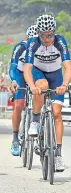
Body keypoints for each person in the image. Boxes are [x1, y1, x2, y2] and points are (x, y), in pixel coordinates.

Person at [23, 15, 71, 172]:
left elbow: (68, 67)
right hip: (39, 73)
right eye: (43, 35)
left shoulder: (60, 41)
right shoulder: (33, 43)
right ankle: (35, 120)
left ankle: (58, 154)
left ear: (54, 33)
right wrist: (31, 86)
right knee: (41, 86)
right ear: (38, 33)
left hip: (56, 75)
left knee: (57, 113)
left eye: (50, 35)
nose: (47, 38)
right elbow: (27, 68)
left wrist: (64, 85)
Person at [8, 25, 38, 156]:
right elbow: (13, 67)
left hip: (35, 74)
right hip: (20, 74)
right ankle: (15, 138)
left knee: (40, 99)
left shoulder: (43, 47)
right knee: (19, 104)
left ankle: (40, 132)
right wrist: (13, 80)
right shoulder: (20, 47)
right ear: (27, 38)